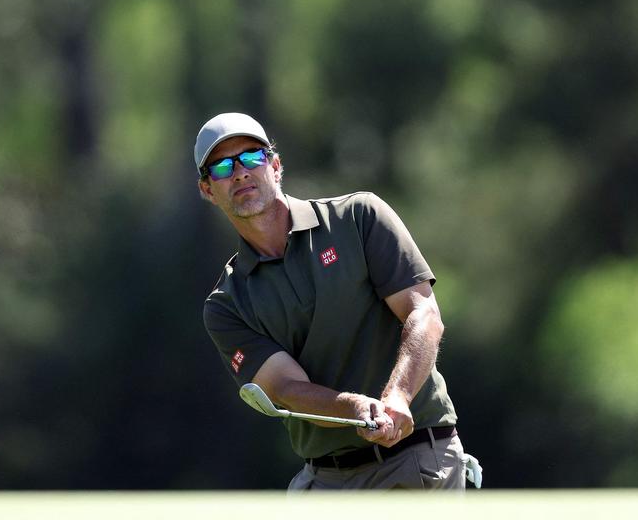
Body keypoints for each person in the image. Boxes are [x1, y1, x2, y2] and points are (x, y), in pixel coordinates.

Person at [197, 112, 468, 491]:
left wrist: (398, 397)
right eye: (223, 166)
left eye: (252, 157)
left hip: (416, 459)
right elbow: (288, 390)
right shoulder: (227, 304)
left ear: (275, 166)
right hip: (327, 482)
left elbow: (423, 314)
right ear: (208, 190)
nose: (240, 172)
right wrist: (357, 408)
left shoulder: (359, 217)